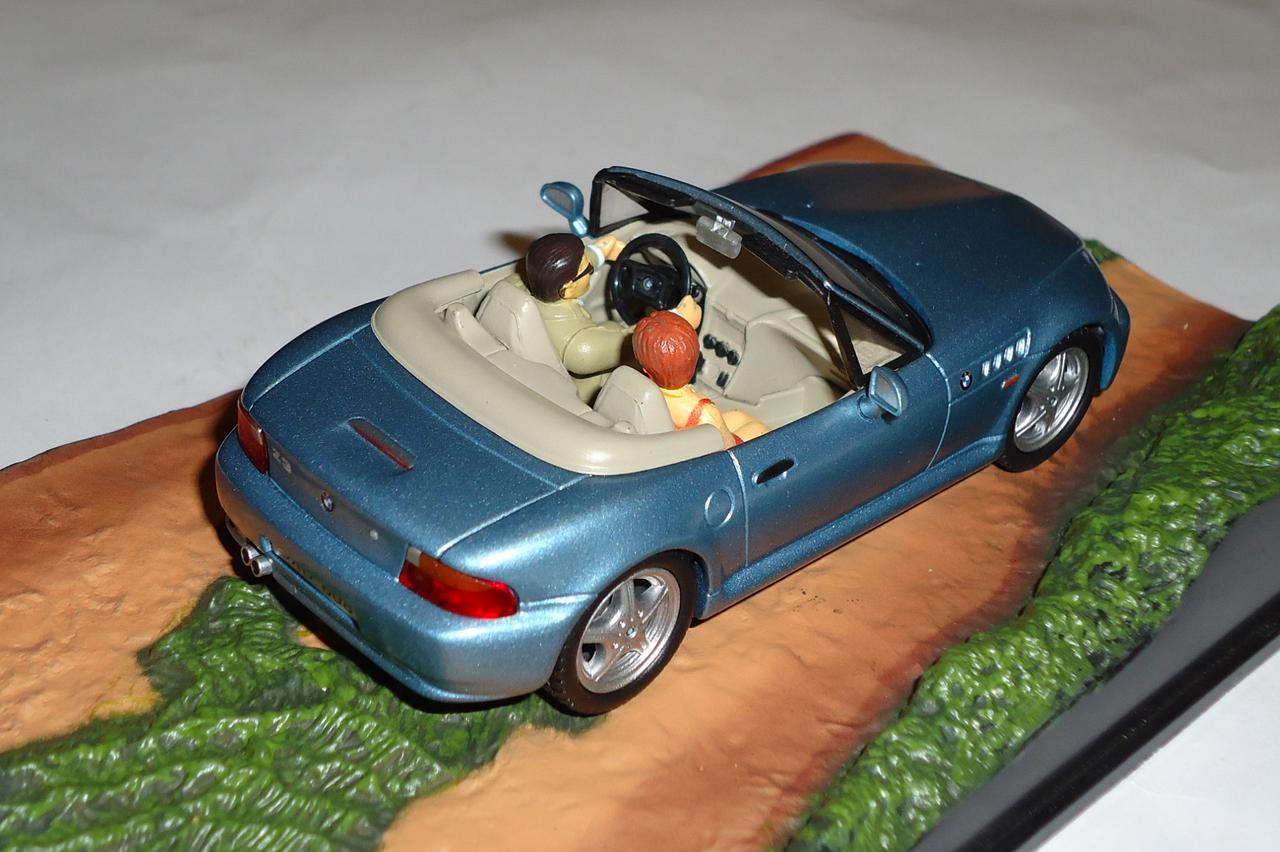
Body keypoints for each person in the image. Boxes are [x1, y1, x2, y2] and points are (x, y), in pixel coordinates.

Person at [523, 233, 701, 402]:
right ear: (567, 288)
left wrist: (599, 251)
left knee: (613, 325)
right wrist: (678, 318)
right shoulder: (580, 347)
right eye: (589, 269)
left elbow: (567, 271)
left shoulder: (526, 287)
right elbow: (644, 343)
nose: (591, 270)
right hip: (599, 388)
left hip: (559, 373)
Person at [631, 309, 767, 449]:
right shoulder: (704, 412)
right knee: (758, 428)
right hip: (705, 451)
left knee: (738, 416)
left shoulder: (638, 390)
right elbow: (728, 447)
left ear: (645, 369)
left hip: (671, 437)